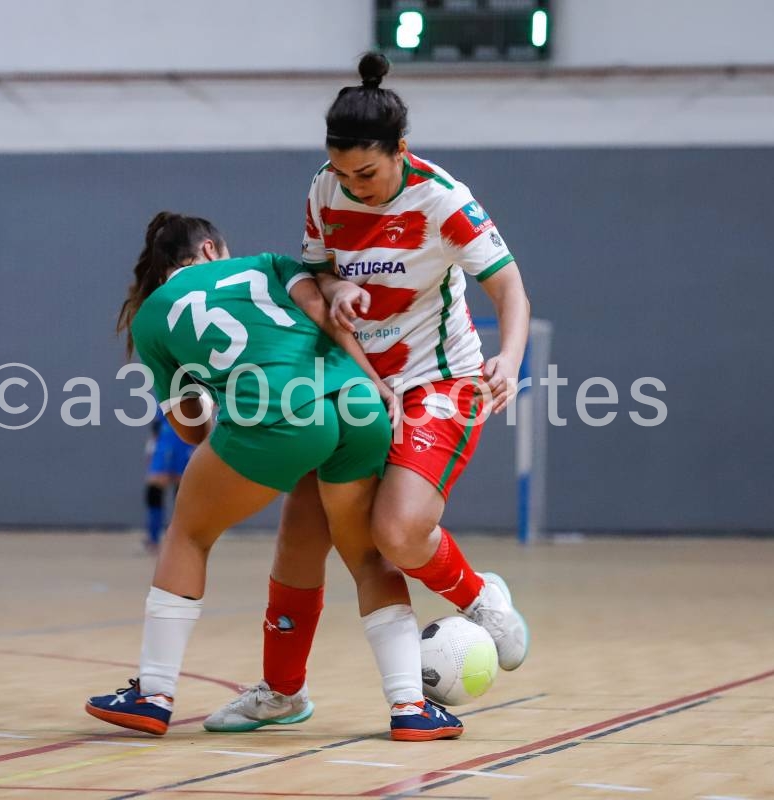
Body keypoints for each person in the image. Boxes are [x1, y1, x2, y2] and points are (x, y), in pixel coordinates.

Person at [204, 52, 531, 733]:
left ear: (401, 152)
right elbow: (315, 281)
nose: (355, 186)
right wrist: (338, 289)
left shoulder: (442, 198)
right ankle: (281, 692)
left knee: (396, 532)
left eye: (369, 172)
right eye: (344, 171)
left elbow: (509, 286)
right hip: (351, 381)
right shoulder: (325, 189)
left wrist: (510, 357)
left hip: (439, 381)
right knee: (301, 533)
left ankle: (479, 597)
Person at [84, 211, 464, 741]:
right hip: (358, 403)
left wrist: (221, 402)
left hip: (281, 417)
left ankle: (153, 692)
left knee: (188, 533)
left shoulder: (151, 316)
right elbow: (329, 317)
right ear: (214, 248)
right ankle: (409, 706)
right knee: (365, 556)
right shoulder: (267, 265)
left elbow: (190, 431)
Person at [142, 415, 195, 553]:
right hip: (173, 436)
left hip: (179, 437)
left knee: (178, 492)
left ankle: (177, 540)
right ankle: (156, 539)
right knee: (157, 491)